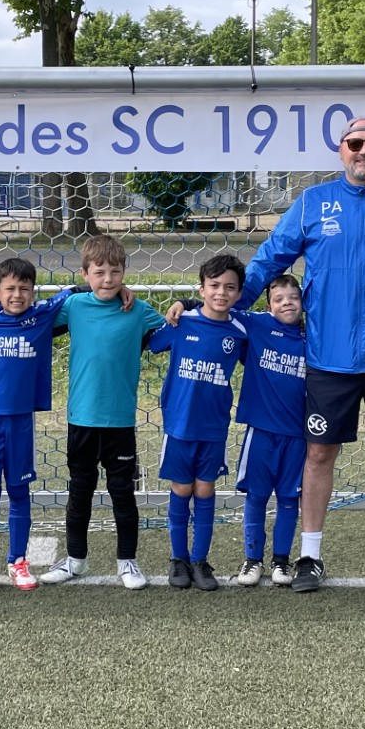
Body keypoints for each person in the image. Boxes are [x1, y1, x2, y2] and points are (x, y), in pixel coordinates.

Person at [234, 113, 365, 597]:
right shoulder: (312, 203)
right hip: (328, 359)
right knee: (318, 454)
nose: (363, 151)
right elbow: (269, 259)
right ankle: (310, 557)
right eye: (355, 143)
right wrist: (224, 307)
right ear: (342, 150)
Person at [42, 234, 165, 590]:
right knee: (79, 491)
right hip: (81, 418)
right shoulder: (75, 306)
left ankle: (127, 561)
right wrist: (73, 289)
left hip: (120, 421)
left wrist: (184, 303)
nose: (108, 279)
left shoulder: (138, 311)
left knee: (122, 492)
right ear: (85, 274)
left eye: (115, 272)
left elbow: (174, 329)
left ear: (125, 272)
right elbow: (39, 315)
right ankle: (75, 560)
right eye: (99, 272)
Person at [0, 257, 72, 594]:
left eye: (24, 288)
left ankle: (18, 561)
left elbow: (75, 290)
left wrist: (120, 289)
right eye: (10, 289)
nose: (17, 295)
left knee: (19, 492)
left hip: (21, 421)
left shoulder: (42, 314)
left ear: (34, 292)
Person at [145, 253, 250, 592]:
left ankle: (200, 560)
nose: (221, 293)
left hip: (214, 427)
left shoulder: (240, 331)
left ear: (239, 293)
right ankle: (178, 558)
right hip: (179, 425)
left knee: (205, 490)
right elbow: (151, 341)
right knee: (181, 489)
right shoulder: (182, 322)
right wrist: (182, 304)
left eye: (230, 287)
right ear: (202, 289)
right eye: (214, 286)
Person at [229, 274, 308, 587]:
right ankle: (252, 560)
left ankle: (281, 562)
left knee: (289, 499)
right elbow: (221, 307)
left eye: (293, 297)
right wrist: (184, 303)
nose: (287, 303)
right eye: (279, 299)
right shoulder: (257, 325)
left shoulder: (313, 336)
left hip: (298, 436)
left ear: (303, 302)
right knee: (257, 496)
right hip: (261, 431)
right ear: (268, 305)